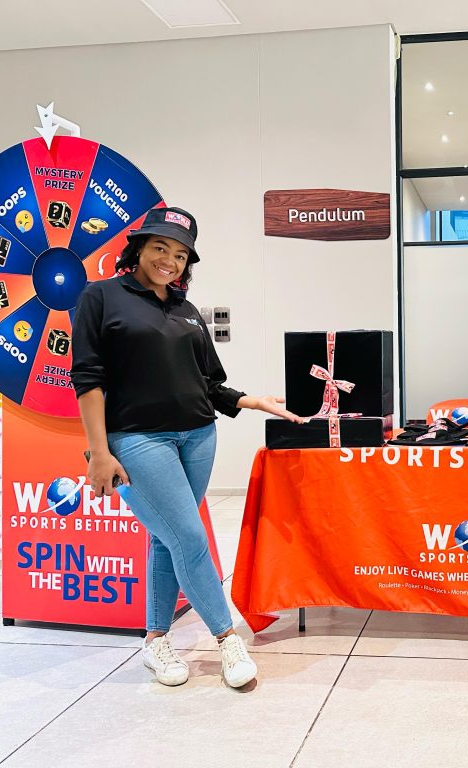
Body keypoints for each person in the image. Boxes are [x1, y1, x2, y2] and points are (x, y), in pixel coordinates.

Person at [71, 206, 301, 688]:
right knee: (191, 539)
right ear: (138, 249)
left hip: (198, 436)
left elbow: (209, 382)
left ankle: (155, 640)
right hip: (137, 439)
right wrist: (99, 453)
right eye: (160, 248)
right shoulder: (101, 296)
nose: (170, 261)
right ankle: (226, 638)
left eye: (180, 255)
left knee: (167, 538)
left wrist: (252, 401)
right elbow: (88, 378)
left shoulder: (186, 310)